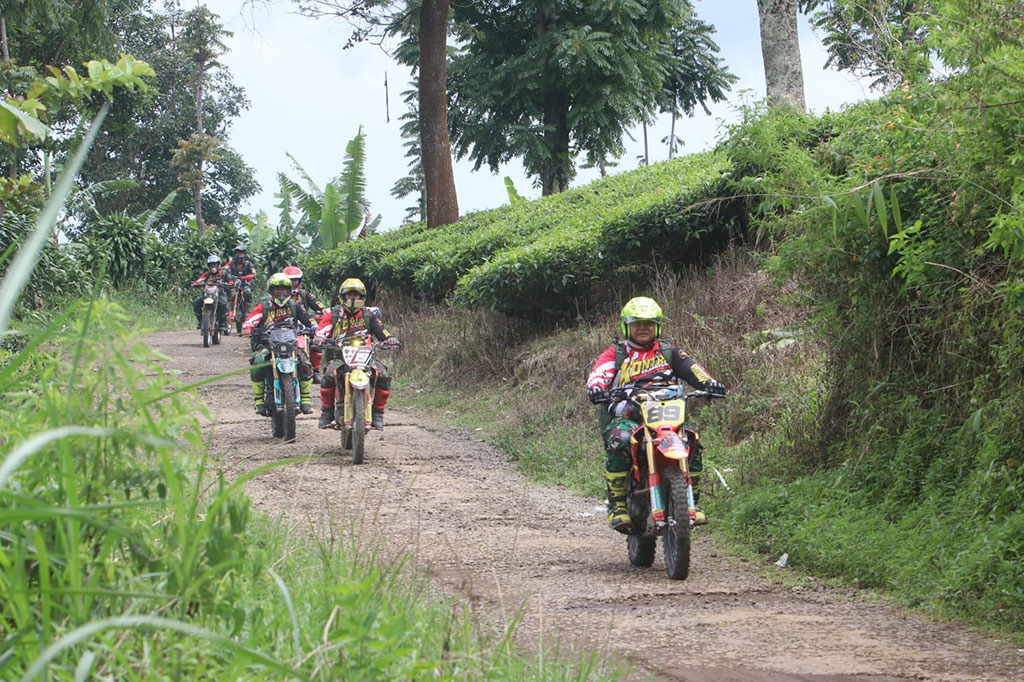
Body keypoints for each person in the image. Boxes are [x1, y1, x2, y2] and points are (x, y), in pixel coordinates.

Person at [586, 296, 726, 532]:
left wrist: (710, 384)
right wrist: (597, 388)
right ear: (626, 326)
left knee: (691, 440)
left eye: (649, 323)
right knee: (619, 440)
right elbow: (600, 374)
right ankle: (617, 505)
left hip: (667, 416)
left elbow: (694, 371)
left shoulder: (669, 352)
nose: (643, 328)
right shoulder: (617, 354)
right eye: (637, 323)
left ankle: (693, 502)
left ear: (657, 326)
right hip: (628, 415)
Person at [313, 277, 399, 430]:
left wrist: (389, 339)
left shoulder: (368, 315)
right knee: (328, 376)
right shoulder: (334, 314)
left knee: (383, 375)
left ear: (362, 297)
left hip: (364, 357)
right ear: (343, 296)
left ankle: (378, 412)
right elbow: (323, 329)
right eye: (349, 295)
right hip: (339, 356)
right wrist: (320, 338)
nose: (352, 298)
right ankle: (327, 411)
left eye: (356, 295)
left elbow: (381, 331)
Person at [241, 273, 316, 416]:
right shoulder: (264, 306)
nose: (281, 292)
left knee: (305, 361)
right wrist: (247, 328)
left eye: (283, 289)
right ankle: (258, 401)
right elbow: (252, 319)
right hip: (267, 343)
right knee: (258, 361)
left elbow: (308, 319)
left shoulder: (295, 305)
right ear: (271, 290)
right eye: (277, 289)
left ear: (289, 290)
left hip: (290, 343)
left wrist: (315, 328)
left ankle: (305, 399)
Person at [283, 265, 328, 383]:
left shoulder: (303, 294)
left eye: (295, 280)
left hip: (303, 323)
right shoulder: (280, 294)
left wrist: (323, 309)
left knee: (316, 342)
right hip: (284, 324)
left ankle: (316, 370)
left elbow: (316, 303)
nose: (293, 282)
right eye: (290, 279)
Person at [191, 254, 235, 331]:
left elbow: (231, 282)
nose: (213, 266)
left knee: (224, 305)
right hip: (207, 295)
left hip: (220, 294)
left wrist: (228, 284)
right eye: (211, 265)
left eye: (214, 264)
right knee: (196, 303)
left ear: (218, 264)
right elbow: (200, 280)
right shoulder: (207, 274)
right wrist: (196, 284)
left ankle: (223, 323)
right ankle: (201, 321)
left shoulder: (224, 273)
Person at [227, 244, 256, 313]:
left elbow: (253, 274)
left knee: (248, 293)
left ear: (244, 254)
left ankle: (246, 312)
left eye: (240, 253)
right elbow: (224, 269)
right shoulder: (232, 263)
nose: (238, 255)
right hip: (233, 284)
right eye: (237, 253)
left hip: (244, 284)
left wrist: (243, 278)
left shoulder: (248, 264)